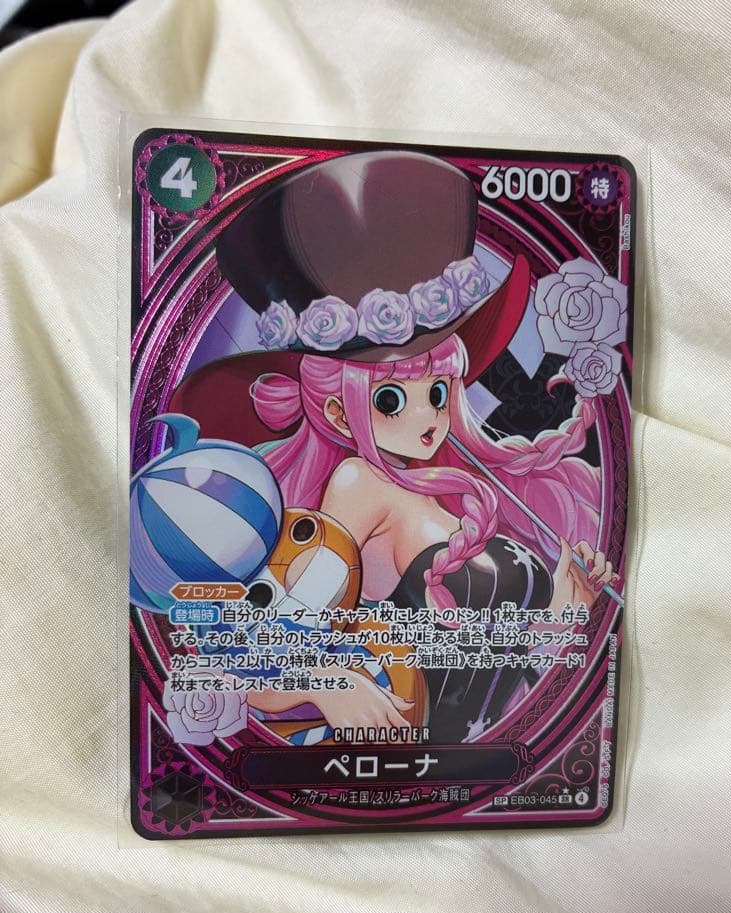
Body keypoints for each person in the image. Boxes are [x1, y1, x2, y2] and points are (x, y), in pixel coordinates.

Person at [171, 149, 618, 741]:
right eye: (390, 399)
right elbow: (259, 657)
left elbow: (506, 670)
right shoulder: (360, 484)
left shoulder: (448, 493)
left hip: (476, 759)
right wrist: (325, 680)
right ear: (338, 410)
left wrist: (568, 606)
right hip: (401, 745)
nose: (428, 416)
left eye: (438, 391)